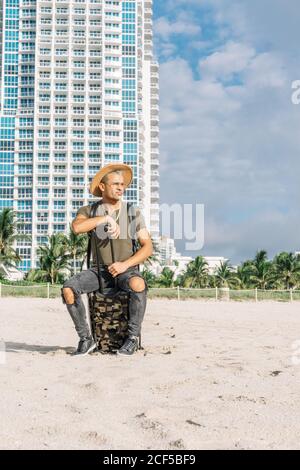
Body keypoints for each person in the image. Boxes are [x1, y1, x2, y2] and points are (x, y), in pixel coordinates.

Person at [62, 163, 153, 356]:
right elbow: (76, 227)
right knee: (69, 289)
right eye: (116, 184)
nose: (121, 188)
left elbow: (148, 247)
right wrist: (105, 219)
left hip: (126, 271)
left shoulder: (132, 212)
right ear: (102, 187)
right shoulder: (90, 210)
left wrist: (125, 265)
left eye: (123, 184)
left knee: (138, 284)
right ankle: (86, 339)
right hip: (98, 271)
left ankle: (132, 338)